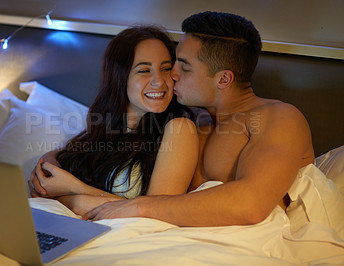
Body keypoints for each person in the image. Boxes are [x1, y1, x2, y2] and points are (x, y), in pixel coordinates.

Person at [83, 11, 315, 226]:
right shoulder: (189, 121)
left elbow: (251, 204)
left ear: (223, 79)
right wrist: (57, 159)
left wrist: (140, 206)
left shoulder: (278, 118)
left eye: (184, 67)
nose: (171, 74)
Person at [29, 26, 199, 215]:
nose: (159, 81)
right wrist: (48, 164)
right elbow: (63, 160)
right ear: (120, 77)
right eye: (144, 70)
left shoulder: (179, 128)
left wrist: (75, 192)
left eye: (166, 68)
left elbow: (155, 211)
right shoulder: (105, 129)